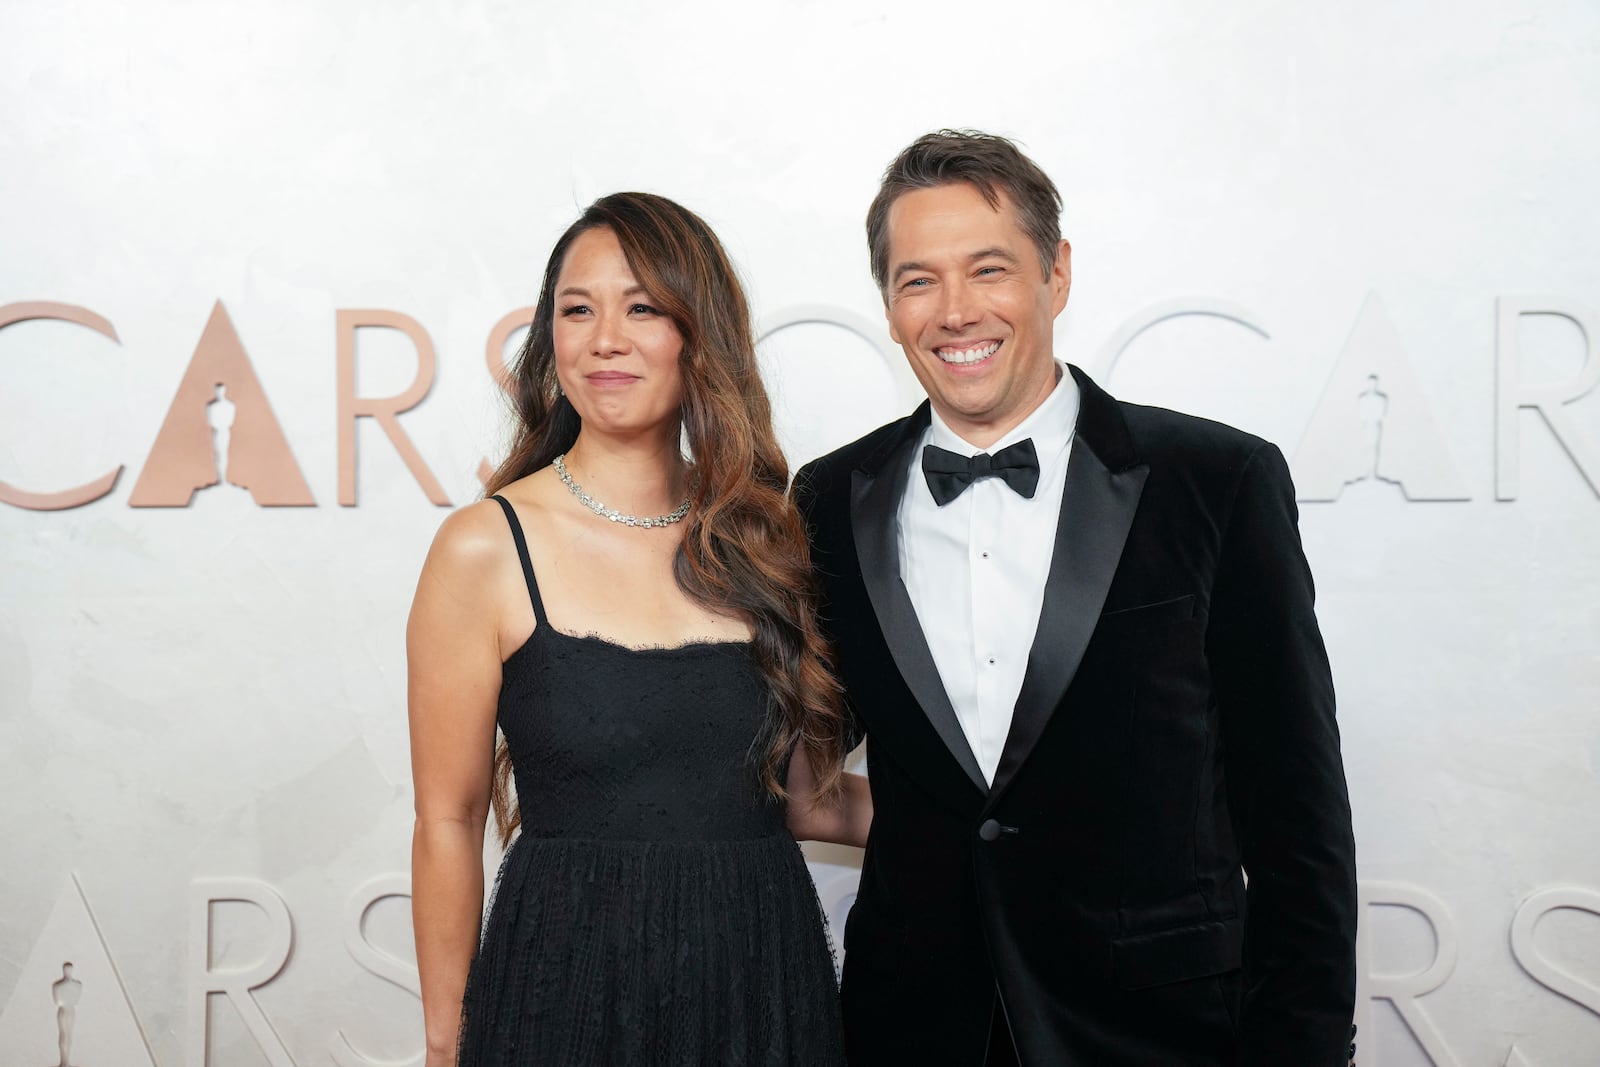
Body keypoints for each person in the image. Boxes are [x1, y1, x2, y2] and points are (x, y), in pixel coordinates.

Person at [793, 131, 1358, 1065]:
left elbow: (1296, 813)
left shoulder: (1216, 480)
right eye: (918, 280)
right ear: (889, 308)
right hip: (913, 1029)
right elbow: (804, 757)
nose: (956, 311)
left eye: (989, 269)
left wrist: (1298, 1044)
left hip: (1159, 1032)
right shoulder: (826, 498)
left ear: (1056, 275)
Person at [408, 191, 868, 1066]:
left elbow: (811, 797)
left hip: (760, 988)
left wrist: (1005, 827)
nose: (604, 338)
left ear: (700, 335)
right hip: (563, 987)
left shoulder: (762, 536)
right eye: (577, 310)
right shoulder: (483, 547)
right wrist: (446, 1042)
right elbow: (448, 815)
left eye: (643, 308)